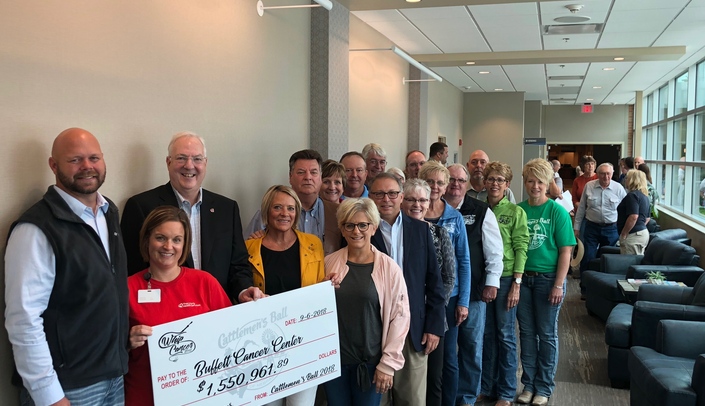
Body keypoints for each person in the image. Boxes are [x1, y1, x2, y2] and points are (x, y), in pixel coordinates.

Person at [5, 128, 129, 406]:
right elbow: (23, 320)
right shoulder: (36, 229)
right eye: (75, 160)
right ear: (53, 165)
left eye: (94, 158)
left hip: (114, 376)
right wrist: (49, 396)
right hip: (68, 389)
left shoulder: (109, 213)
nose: (87, 167)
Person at [121, 131, 257, 303]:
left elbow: (238, 265)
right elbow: (131, 269)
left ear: (205, 164)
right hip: (167, 314)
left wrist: (243, 290)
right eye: (181, 158)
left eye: (197, 159)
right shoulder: (140, 206)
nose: (189, 165)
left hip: (216, 311)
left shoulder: (226, 208)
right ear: (168, 162)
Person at [125, 206, 232, 406]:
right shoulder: (127, 288)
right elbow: (109, 348)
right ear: (147, 239)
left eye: (177, 240)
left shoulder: (204, 282)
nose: (168, 246)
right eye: (160, 237)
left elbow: (232, 336)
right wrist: (127, 342)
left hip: (200, 395)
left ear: (185, 244)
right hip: (144, 397)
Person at [323, 198, 410, 406]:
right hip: (334, 363)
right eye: (349, 225)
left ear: (374, 227)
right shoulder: (328, 263)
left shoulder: (390, 269)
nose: (356, 231)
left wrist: (387, 364)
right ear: (342, 229)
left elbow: (400, 318)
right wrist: (321, 288)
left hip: (371, 365)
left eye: (363, 225)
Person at [368, 174, 445, 406]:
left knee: (412, 400)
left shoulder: (421, 230)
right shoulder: (362, 231)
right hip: (375, 329)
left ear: (401, 197)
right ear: (370, 197)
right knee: (377, 399)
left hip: (415, 330)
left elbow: (434, 282)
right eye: (379, 194)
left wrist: (434, 326)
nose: (386, 199)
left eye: (392, 193)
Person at [246, 186, 325, 405]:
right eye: (278, 207)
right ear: (266, 211)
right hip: (263, 347)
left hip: (304, 341)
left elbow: (319, 288)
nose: (284, 213)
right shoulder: (249, 248)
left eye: (291, 208)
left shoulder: (313, 244)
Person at [516, 159, 576, 406]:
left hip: (548, 280)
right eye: (530, 180)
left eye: (540, 181)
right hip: (523, 280)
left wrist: (559, 284)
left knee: (547, 334)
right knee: (527, 335)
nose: (535, 186)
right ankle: (528, 384)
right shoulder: (519, 209)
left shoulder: (556, 211)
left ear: (548, 183)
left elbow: (566, 251)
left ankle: (544, 386)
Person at [444, 163, 504, 406]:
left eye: (460, 180)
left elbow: (494, 251)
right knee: (446, 352)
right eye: (451, 179)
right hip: (444, 295)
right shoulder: (432, 208)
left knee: (470, 347)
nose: (455, 184)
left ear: (467, 184)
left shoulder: (480, 211)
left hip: (475, 293)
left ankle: (466, 398)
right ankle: (446, 395)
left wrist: (492, 282)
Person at [418, 161, 471, 406]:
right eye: (430, 181)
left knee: (448, 359)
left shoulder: (454, 217)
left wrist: (463, 302)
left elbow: (464, 261)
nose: (436, 187)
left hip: (449, 300)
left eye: (440, 182)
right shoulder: (412, 213)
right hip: (418, 298)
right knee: (421, 357)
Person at [400, 179, 455, 406]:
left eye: (422, 199)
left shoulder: (439, 233)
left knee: (433, 379)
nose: (417, 204)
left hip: (432, 317)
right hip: (401, 316)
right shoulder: (393, 233)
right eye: (411, 199)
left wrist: (431, 311)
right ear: (402, 201)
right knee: (403, 384)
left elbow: (448, 278)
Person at [479, 162, 529, 406]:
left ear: (507, 184)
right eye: (491, 179)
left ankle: (507, 392)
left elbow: (521, 248)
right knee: (486, 335)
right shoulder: (478, 209)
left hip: (507, 278)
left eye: (500, 180)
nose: (495, 184)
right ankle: (487, 386)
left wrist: (517, 283)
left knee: (506, 335)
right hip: (484, 278)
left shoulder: (516, 212)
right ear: (484, 182)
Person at [245, 149, 326, 242]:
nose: (308, 177)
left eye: (313, 172)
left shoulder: (334, 213)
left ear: (321, 177)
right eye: (301, 172)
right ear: (290, 176)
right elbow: (246, 248)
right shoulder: (268, 213)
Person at [574, 163, 626, 277]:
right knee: (588, 256)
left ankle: (603, 285)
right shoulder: (589, 186)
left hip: (611, 228)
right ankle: (585, 287)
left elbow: (625, 211)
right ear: (597, 174)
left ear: (612, 174)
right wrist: (576, 227)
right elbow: (582, 208)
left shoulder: (618, 188)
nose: (606, 177)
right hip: (591, 227)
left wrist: (624, 230)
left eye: (608, 174)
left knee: (608, 258)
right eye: (602, 174)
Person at [617, 170, 651, 255]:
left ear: (633, 180)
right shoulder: (644, 196)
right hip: (642, 233)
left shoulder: (632, 195)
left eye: (627, 178)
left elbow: (633, 216)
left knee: (628, 263)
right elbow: (647, 218)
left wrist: (624, 233)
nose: (625, 180)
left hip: (632, 235)